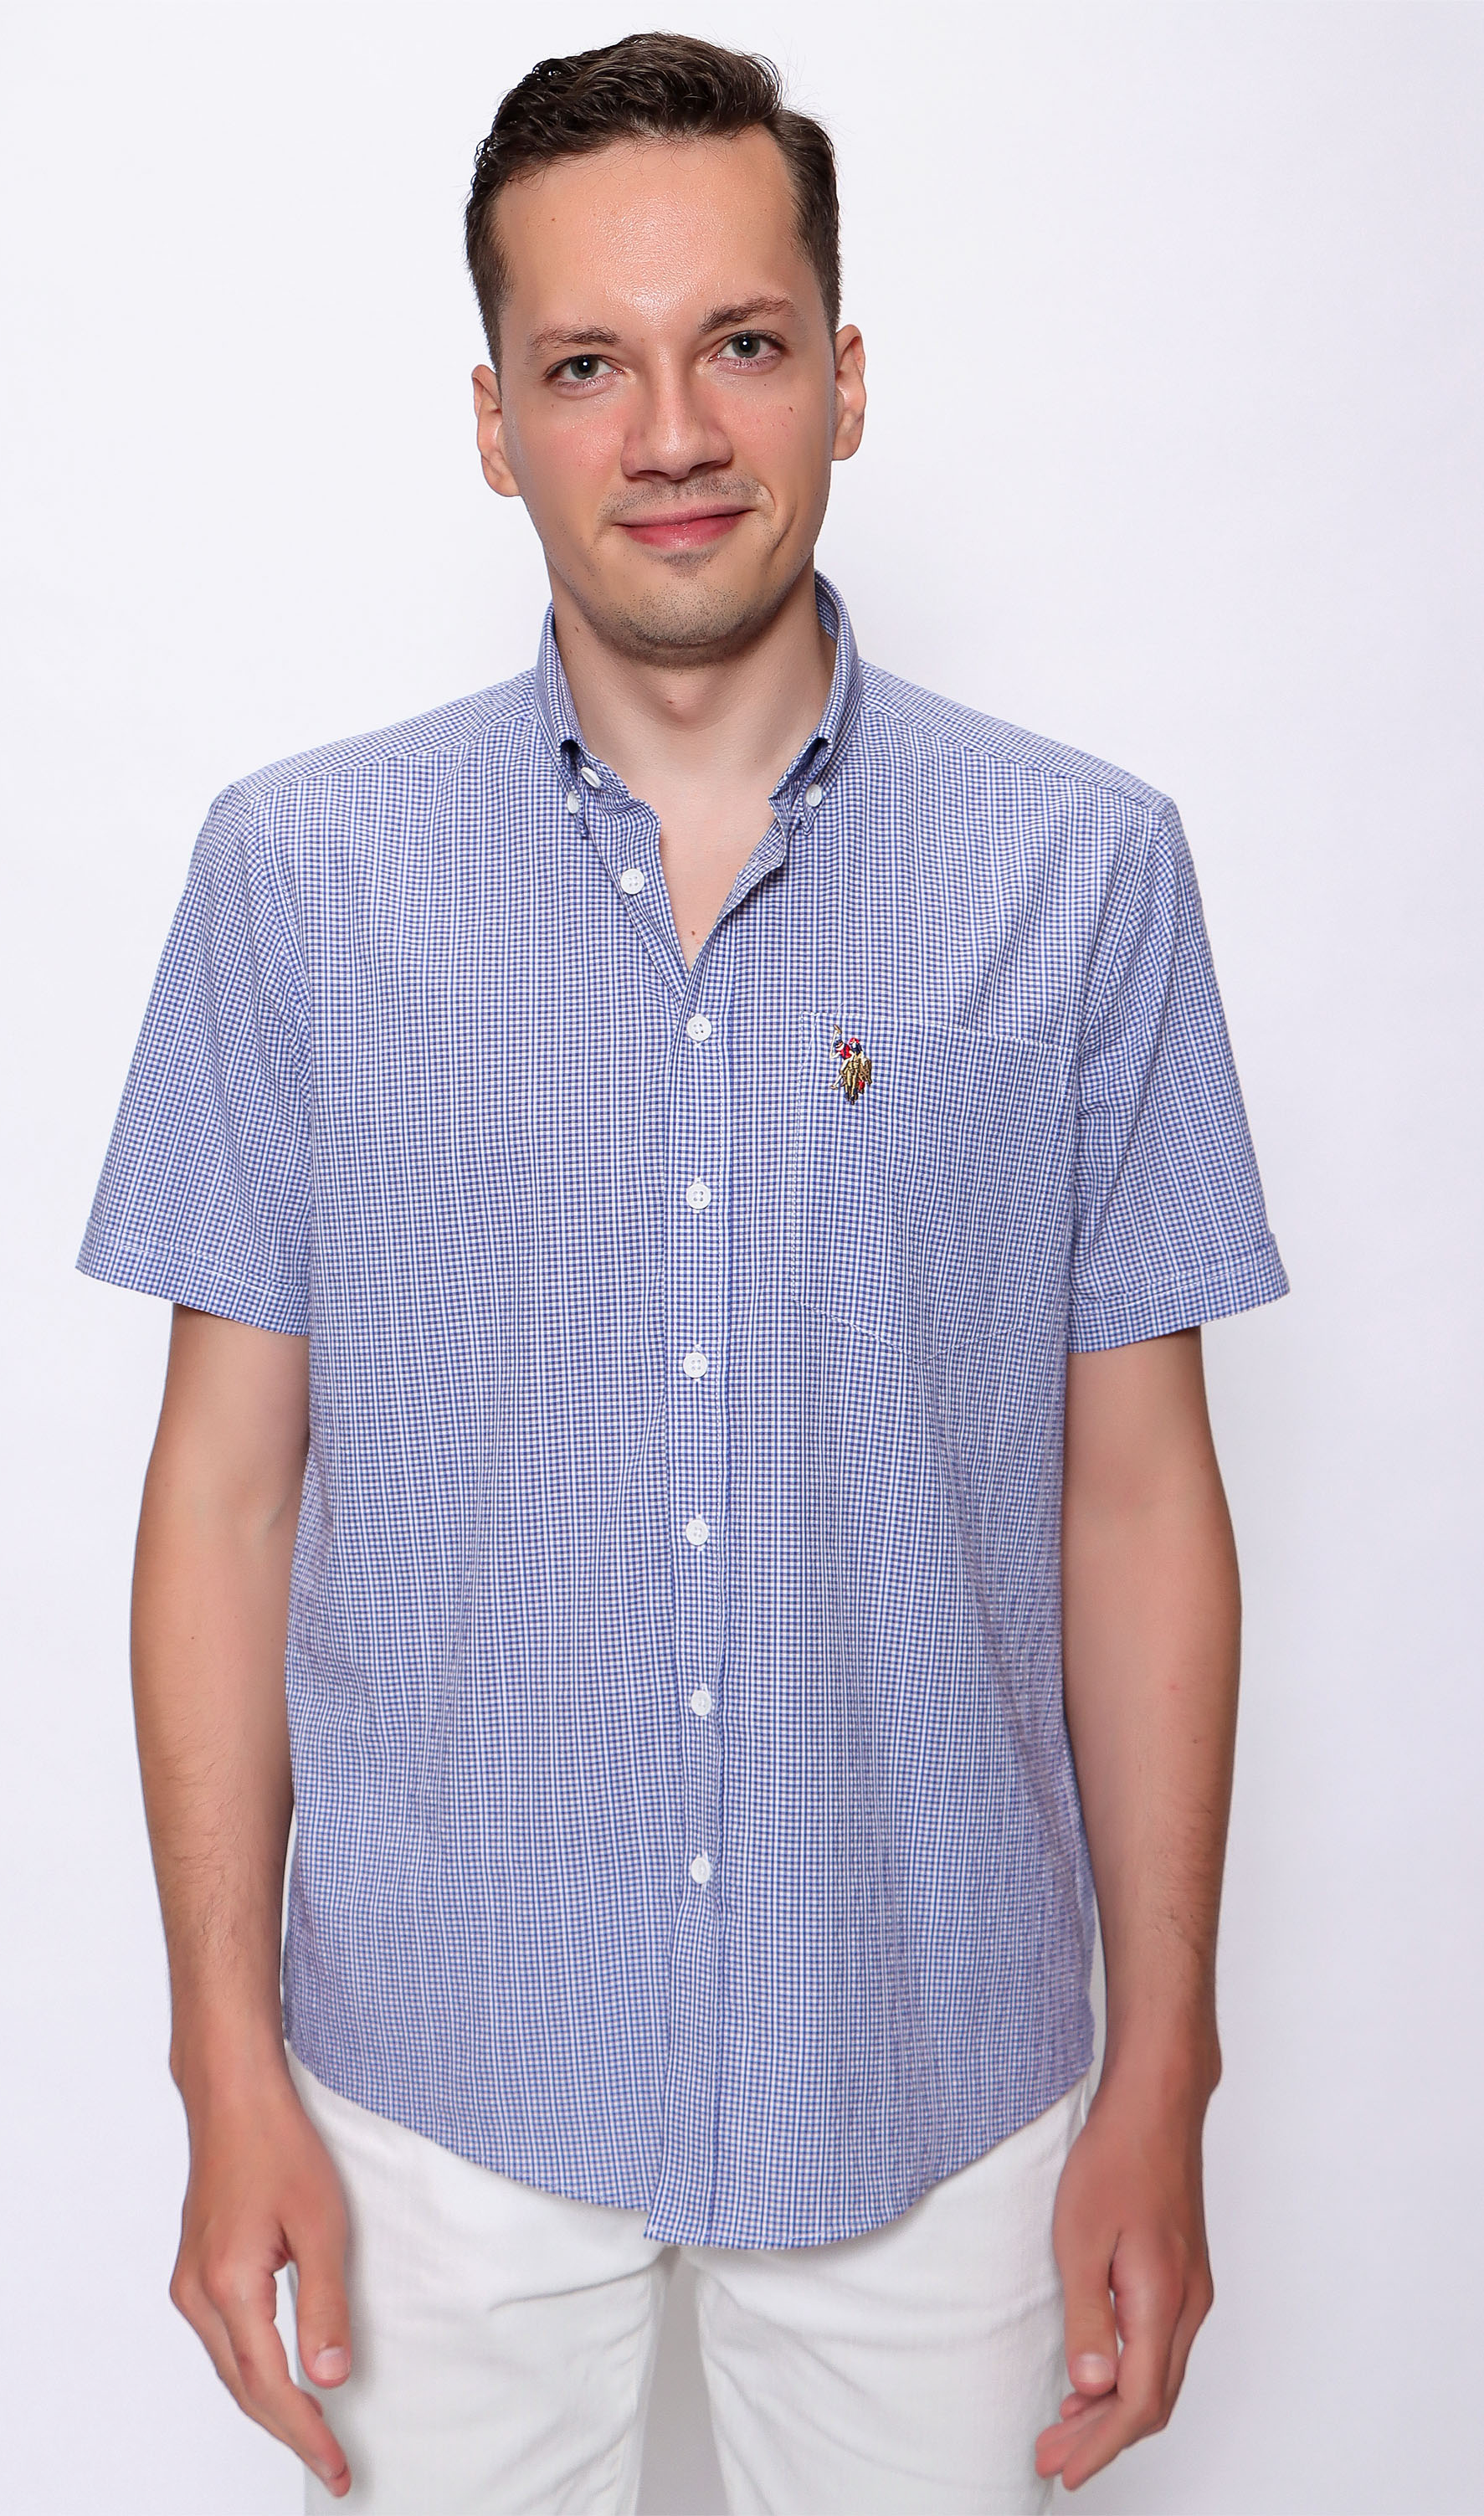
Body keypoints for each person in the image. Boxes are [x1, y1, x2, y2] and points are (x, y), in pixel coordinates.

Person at [79, 31, 1287, 2513]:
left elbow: (1142, 1500)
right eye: (583, 366)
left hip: (930, 2080)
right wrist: (222, 2063)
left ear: (842, 375)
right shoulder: (299, 883)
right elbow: (222, 1498)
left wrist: (1164, 2066)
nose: (669, 434)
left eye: (737, 343)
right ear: (492, 424)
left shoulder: (1084, 875)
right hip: (437, 2091)